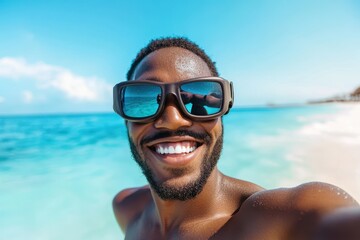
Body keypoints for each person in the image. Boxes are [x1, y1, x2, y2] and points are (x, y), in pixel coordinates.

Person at [112, 37, 359, 239]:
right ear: (125, 119)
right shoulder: (127, 208)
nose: (173, 119)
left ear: (224, 110)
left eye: (196, 98)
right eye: (143, 96)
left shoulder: (276, 222)